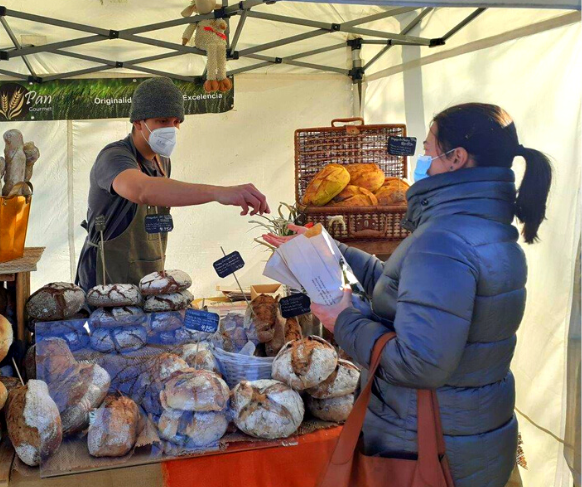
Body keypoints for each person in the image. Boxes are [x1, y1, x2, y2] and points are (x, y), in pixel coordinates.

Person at [263, 103, 553, 487]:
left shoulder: (444, 240)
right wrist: (332, 249)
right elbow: (408, 293)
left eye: (429, 150)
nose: (422, 161)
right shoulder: (480, 227)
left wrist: (342, 320)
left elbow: (419, 364)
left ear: (457, 159)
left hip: (429, 446)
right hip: (471, 432)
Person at [76, 77, 270, 290]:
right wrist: (218, 192)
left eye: (176, 122)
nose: (171, 128)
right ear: (138, 122)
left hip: (148, 277)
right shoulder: (114, 157)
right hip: (106, 282)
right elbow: (142, 190)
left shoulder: (162, 161)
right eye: (162, 121)